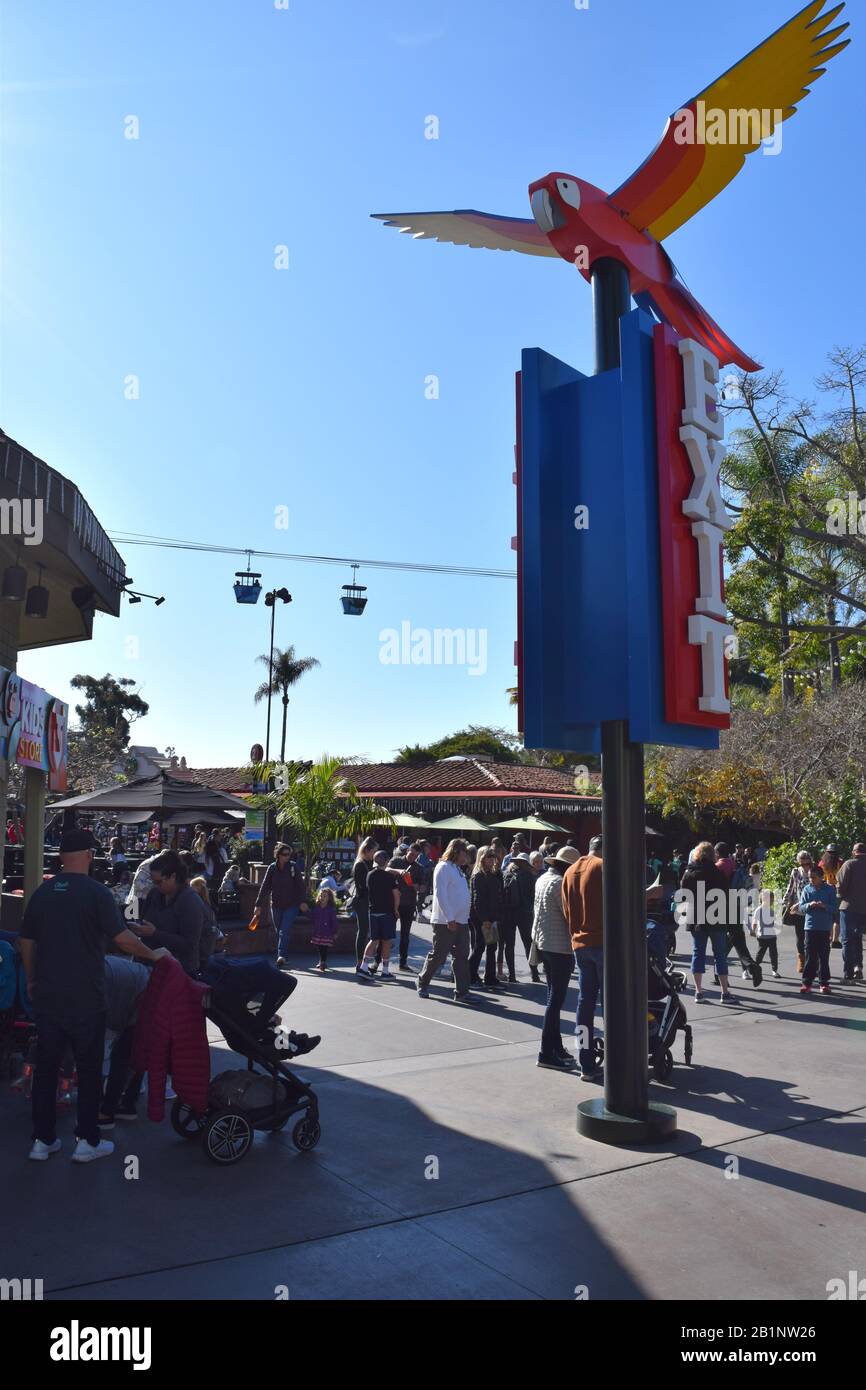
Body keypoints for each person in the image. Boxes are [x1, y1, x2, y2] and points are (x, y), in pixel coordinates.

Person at [18, 829, 167, 1163]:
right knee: (88, 1070)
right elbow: (123, 939)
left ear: (60, 858)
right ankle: (86, 1141)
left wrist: (31, 979)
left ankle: (42, 1142)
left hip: (48, 998)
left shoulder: (41, 894)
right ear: (86, 855)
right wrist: (153, 954)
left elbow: (27, 943)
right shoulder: (97, 893)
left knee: (46, 1069)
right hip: (87, 999)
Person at [532, 846, 580, 1070]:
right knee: (555, 1001)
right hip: (560, 947)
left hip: (543, 943)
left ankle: (556, 1046)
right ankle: (545, 1052)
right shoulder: (561, 884)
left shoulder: (543, 879)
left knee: (554, 998)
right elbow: (569, 914)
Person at [562, 836, 605, 1079]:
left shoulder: (569, 871)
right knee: (611, 1004)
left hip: (579, 942)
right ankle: (619, 1058)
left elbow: (568, 911)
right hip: (602, 941)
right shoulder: (602, 867)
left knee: (584, 1004)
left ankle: (585, 1060)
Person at [133, 850, 208, 976]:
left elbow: (190, 945)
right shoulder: (154, 894)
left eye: (158, 882)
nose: (155, 885)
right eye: (153, 881)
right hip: (150, 967)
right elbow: (145, 920)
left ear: (173, 876)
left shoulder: (190, 900)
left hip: (179, 972)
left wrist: (155, 933)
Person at [416, 839, 472, 1002]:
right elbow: (441, 895)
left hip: (461, 921)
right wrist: (450, 918)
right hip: (446, 921)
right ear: (457, 851)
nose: (466, 856)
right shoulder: (443, 867)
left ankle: (462, 992)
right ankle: (422, 981)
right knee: (439, 955)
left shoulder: (456, 869)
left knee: (462, 956)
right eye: (464, 853)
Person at [99, 953, 152, 1127]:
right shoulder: (97, 966)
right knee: (133, 1052)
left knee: (122, 1056)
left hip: (143, 997)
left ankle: (106, 1114)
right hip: (144, 989)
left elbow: (115, 1022)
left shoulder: (97, 976)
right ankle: (127, 1105)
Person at [680, 840, 736, 1003]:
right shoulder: (717, 873)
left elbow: (684, 894)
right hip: (716, 917)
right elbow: (726, 894)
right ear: (713, 855)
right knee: (720, 955)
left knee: (698, 953)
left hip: (696, 917)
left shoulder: (689, 872)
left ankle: (699, 991)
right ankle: (724, 992)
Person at [255, 842, 307, 969]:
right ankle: (284, 955)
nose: (287, 856)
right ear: (278, 855)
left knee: (284, 930)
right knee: (279, 931)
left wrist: (302, 901)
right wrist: (258, 904)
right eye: (285, 854)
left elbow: (301, 886)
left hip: (292, 905)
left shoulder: (293, 867)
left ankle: (281, 956)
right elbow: (265, 886)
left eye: (289, 854)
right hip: (276, 905)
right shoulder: (272, 868)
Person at [358, 851, 400, 980]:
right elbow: (396, 894)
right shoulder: (390, 877)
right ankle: (385, 971)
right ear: (386, 861)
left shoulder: (369, 875)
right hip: (387, 912)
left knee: (374, 939)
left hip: (373, 911)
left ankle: (364, 967)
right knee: (386, 941)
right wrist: (396, 910)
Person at [468, 846, 504, 992]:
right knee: (480, 946)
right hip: (481, 918)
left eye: (493, 856)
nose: (491, 859)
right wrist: (485, 920)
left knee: (492, 946)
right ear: (482, 857)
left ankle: (490, 977)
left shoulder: (494, 874)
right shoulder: (478, 875)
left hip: (492, 916)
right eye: (488, 856)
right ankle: (470, 976)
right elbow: (478, 901)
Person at [502, 852, 541, 983]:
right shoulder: (529, 876)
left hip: (507, 913)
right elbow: (534, 896)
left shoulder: (506, 874)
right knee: (528, 944)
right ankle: (534, 974)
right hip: (524, 913)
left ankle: (511, 975)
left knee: (509, 945)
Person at [799, 864, 836, 995]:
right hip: (810, 927)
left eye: (813, 878)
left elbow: (834, 908)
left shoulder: (830, 890)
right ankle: (807, 983)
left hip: (824, 928)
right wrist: (810, 904)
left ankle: (824, 983)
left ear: (821, 877)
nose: (811, 880)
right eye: (809, 877)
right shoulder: (807, 889)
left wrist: (824, 906)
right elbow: (801, 907)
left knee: (823, 956)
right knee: (810, 956)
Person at [388, 844, 422, 972]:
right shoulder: (396, 860)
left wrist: (415, 886)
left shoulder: (419, 868)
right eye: (411, 854)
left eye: (416, 856)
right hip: (393, 903)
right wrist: (399, 871)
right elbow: (385, 869)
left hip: (409, 904)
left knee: (405, 935)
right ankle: (378, 961)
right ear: (407, 851)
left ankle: (403, 963)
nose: (413, 857)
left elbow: (422, 887)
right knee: (387, 934)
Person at [838, 842, 866, 984]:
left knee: (847, 940)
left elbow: (841, 885)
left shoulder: (849, 864)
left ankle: (848, 973)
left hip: (849, 907)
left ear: (854, 852)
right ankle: (858, 966)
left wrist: (840, 896)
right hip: (864, 909)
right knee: (858, 938)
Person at [782, 850, 813, 973]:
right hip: (798, 909)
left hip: (812, 909)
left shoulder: (814, 871)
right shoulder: (795, 872)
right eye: (803, 864)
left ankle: (811, 961)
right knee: (800, 936)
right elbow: (791, 887)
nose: (805, 866)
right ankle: (801, 959)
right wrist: (785, 901)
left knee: (810, 937)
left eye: (807, 863)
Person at [351, 836, 377, 969]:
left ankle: (363, 961)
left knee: (365, 931)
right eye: (373, 851)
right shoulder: (361, 864)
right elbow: (362, 886)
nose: (374, 855)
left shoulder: (368, 863)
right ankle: (359, 961)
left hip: (366, 901)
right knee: (363, 932)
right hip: (362, 901)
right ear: (367, 850)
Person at [189, 875, 223, 964]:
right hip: (209, 941)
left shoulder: (196, 903)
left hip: (202, 943)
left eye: (191, 887)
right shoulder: (207, 904)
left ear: (196, 888)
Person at [750, 888, 780, 978]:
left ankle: (774, 970)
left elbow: (774, 922)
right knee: (760, 954)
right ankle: (755, 969)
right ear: (763, 899)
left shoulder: (772, 910)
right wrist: (752, 930)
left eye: (772, 899)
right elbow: (754, 921)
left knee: (774, 954)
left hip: (772, 937)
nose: (771, 901)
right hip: (762, 936)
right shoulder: (759, 910)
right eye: (770, 899)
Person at [819, 845, 843, 948]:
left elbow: (819, 877)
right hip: (838, 891)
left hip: (826, 890)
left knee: (828, 915)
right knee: (837, 917)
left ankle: (828, 938)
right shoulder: (841, 862)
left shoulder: (822, 863)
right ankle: (835, 940)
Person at [310, 886, 339, 971]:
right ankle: (322, 961)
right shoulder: (317, 908)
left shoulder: (331, 909)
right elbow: (312, 916)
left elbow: (334, 921)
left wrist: (335, 932)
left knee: (324, 947)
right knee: (319, 947)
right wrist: (306, 911)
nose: (322, 898)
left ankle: (323, 961)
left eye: (325, 896)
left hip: (327, 932)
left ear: (329, 898)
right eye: (321, 896)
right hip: (318, 931)